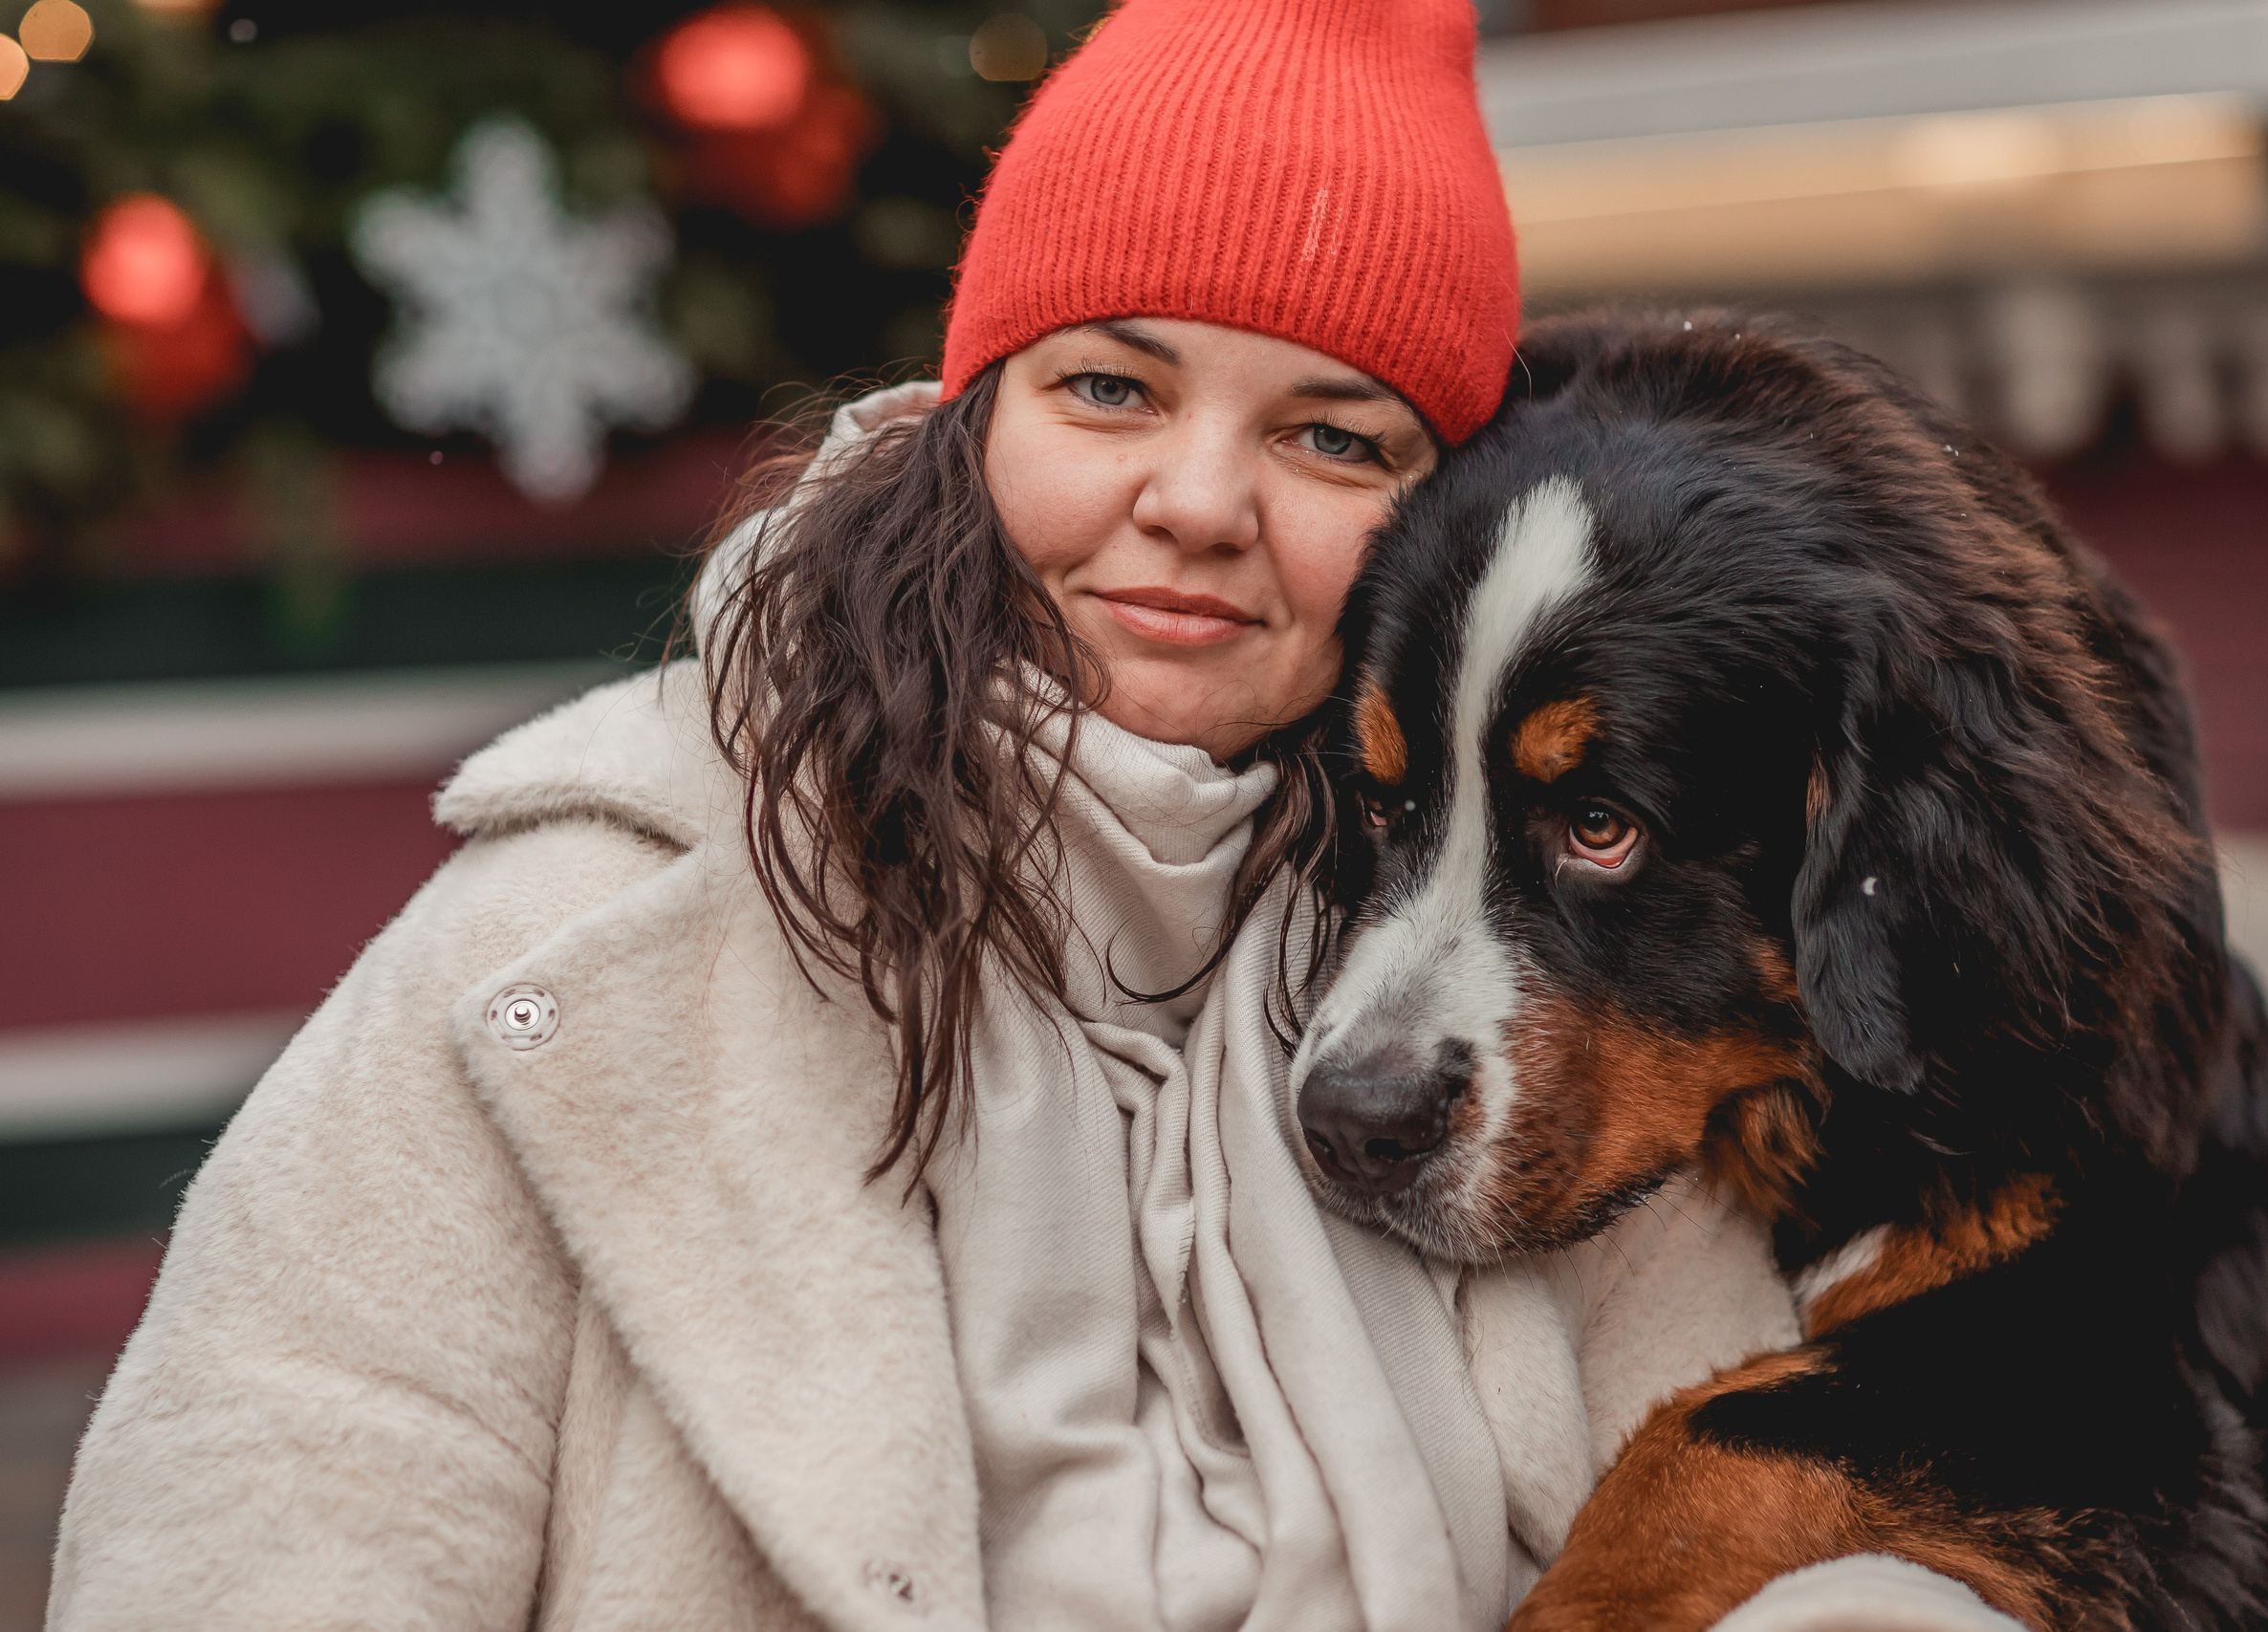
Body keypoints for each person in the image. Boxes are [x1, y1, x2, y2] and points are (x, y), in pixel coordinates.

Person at [46, 4, 1805, 1630]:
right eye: (1109, 389)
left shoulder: (1532, 1002)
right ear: (972, 424)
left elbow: (1787, 1511)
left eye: (1333, 439)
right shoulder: (577, 928)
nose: (1195, 502)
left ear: (1445, 530)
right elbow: (261, 1527)